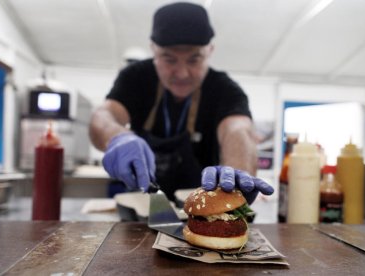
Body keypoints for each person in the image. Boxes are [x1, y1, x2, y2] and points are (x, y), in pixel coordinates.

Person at [89, 2, 273, 204]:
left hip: (204, 205)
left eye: (194, 60)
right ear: (154, 51)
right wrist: (117, 137)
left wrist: (239, 172)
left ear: (210, 51)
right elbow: (104, 115)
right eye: (169, 60)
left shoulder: (225, 90)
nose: (182, 73)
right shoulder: (135, 78)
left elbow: (238, 130)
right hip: (141, 204)